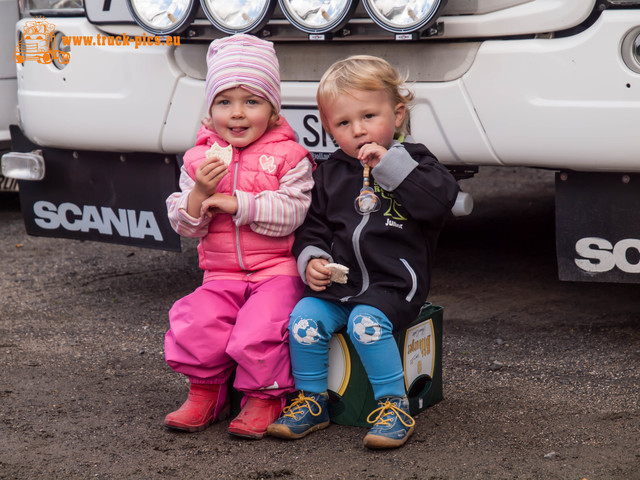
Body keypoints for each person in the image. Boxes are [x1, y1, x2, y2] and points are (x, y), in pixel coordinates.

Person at [267, 55, 459, 449]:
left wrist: (390, 166)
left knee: (366, 326)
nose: (358, 131)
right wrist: (313, 259)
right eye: (343, 123)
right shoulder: (332, 171)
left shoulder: (417, 162)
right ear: (328, 128)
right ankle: (312, 400)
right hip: (342, 286)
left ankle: (394, 406)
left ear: (398, 114)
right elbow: (313, 226)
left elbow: (438, 203)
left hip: (394, 286)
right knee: (303, 319)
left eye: (369, 116)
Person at [163, 34, 314, 439]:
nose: (238, 113)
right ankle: (205, 392)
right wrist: (197, 196)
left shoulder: (289, 157)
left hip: (276, 272)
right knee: (197, 321)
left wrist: (238, 204)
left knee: (259, 330)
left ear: (273, 109)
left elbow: (293, 211)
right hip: (221, 275)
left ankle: (265, 397)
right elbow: (185, 224)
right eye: (225, 102)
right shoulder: (197, 160)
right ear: (210, 111)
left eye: (252, 102)